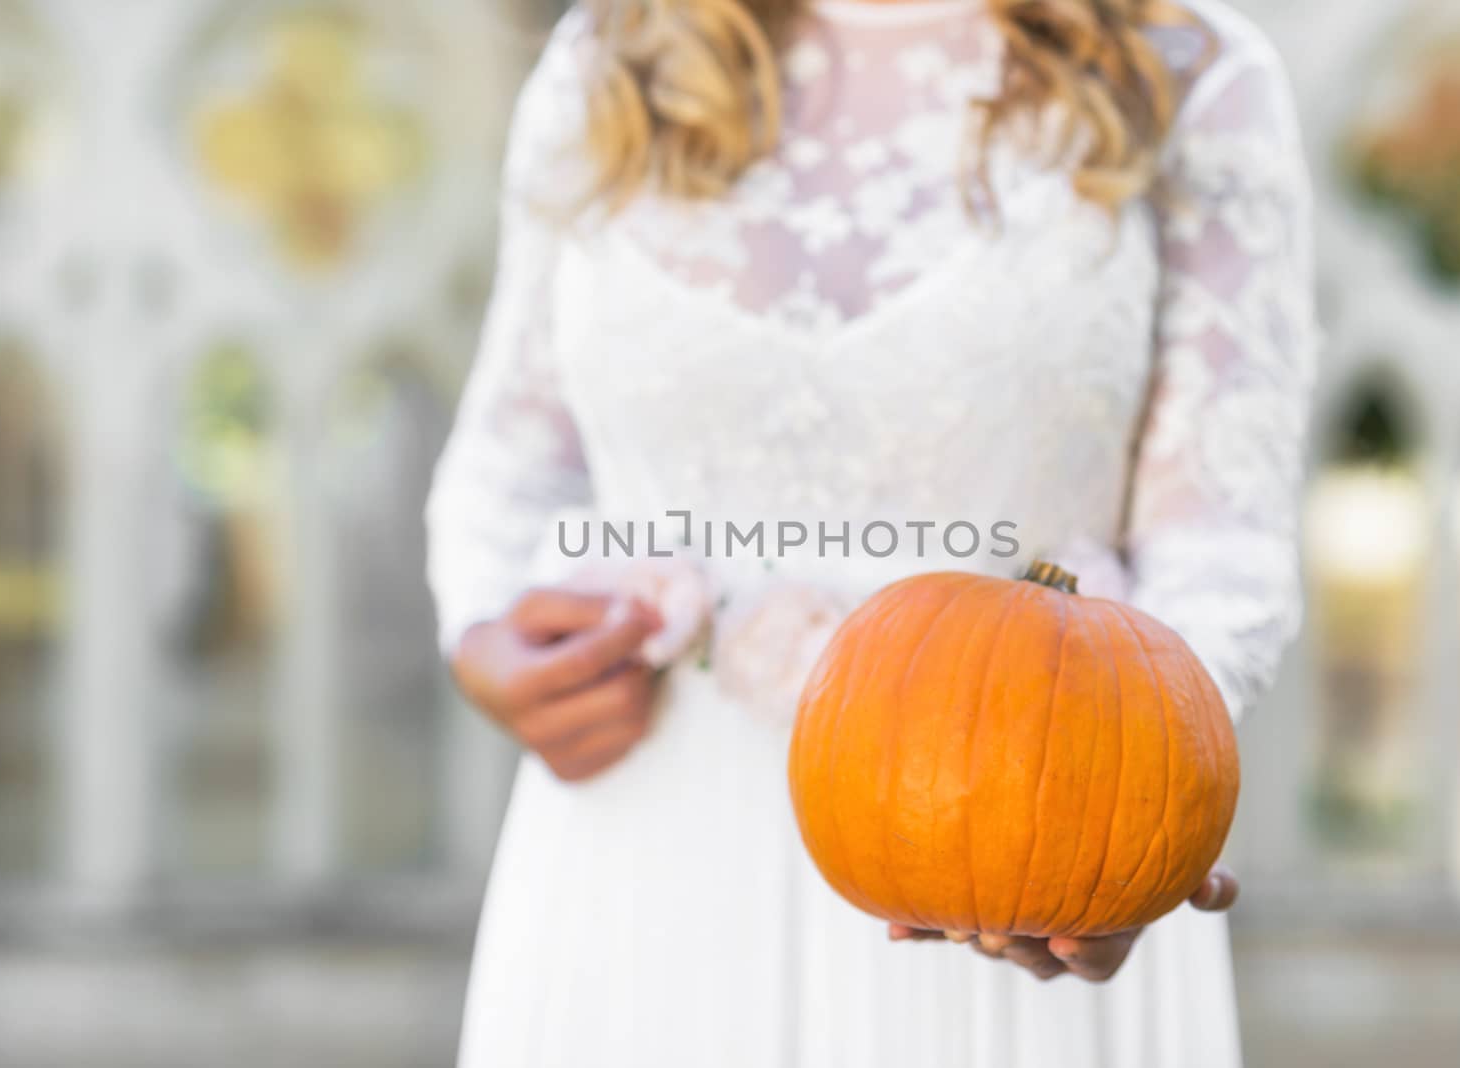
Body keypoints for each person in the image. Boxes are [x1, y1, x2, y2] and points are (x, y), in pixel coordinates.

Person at [426, 0, 1316, 1063]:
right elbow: (511, 465)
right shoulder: (611, 58)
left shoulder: (1185, 71)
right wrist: (484, 635)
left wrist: (1139, 813)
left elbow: (1220, 536)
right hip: (647, 850)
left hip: (1030, 830)